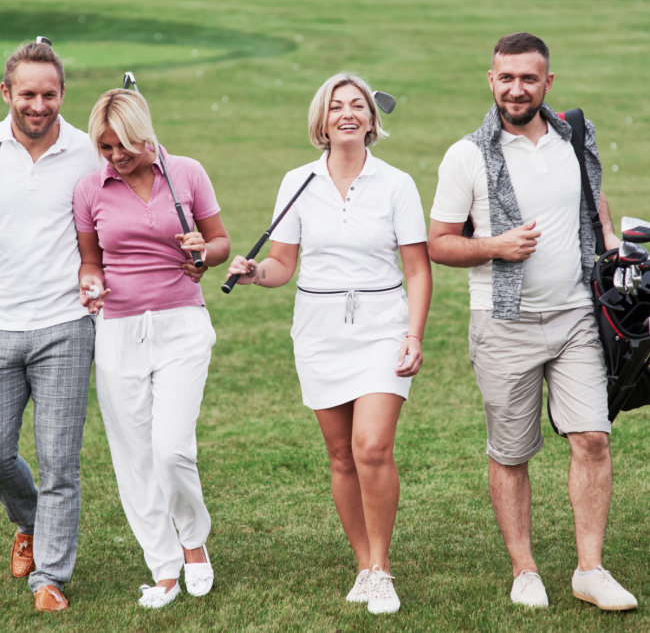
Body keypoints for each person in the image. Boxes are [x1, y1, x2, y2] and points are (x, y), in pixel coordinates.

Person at [428, 33, 637, 610]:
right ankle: (525, 570)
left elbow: (591, 202)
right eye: (506, 78)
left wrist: (611, 239)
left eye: (528, 78)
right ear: (490, 81)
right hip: (504, 323)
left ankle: (590, 570)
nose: (516, 89)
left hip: (576, 315)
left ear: (547, 82)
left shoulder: (575, 134)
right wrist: (495, 246)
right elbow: (438, 244)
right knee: (511, 452)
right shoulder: (466, 155)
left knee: (592, 438)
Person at [227, 72, 432, 615]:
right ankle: (363, 566)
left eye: (357, 105)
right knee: (341, 456)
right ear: (322, 120)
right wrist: (254, 273)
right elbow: (282, 265)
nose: (348, 113)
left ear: (371, 119)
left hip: (382, 327)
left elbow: (417, 269)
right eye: (337, 106)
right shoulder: (298, 182)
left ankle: (382, 570)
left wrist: (413, 334)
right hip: (318, 333)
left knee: (371, 447)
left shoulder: (397, 184)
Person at [73, 88, 230, 608]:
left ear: (145, 135)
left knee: (172, 449)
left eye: (124, 145)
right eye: (105, 147)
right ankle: (162, 567)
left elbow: (220, 242)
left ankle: (193, 541)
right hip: (118, 330)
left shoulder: (186, 173)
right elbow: (91, 259)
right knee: (134, 457)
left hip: (181, 323)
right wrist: (90, 282)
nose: (115, 156)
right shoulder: (90, 188)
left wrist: (203, 254)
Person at [0, 39, 97, 612]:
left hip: (65, 324)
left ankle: (50, 578)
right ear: (6, 93)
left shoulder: (89, 152)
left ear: (62, 94)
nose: (39, 105)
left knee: (60, 461)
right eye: (28, 94)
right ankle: (30, 522)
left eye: (50, 94)